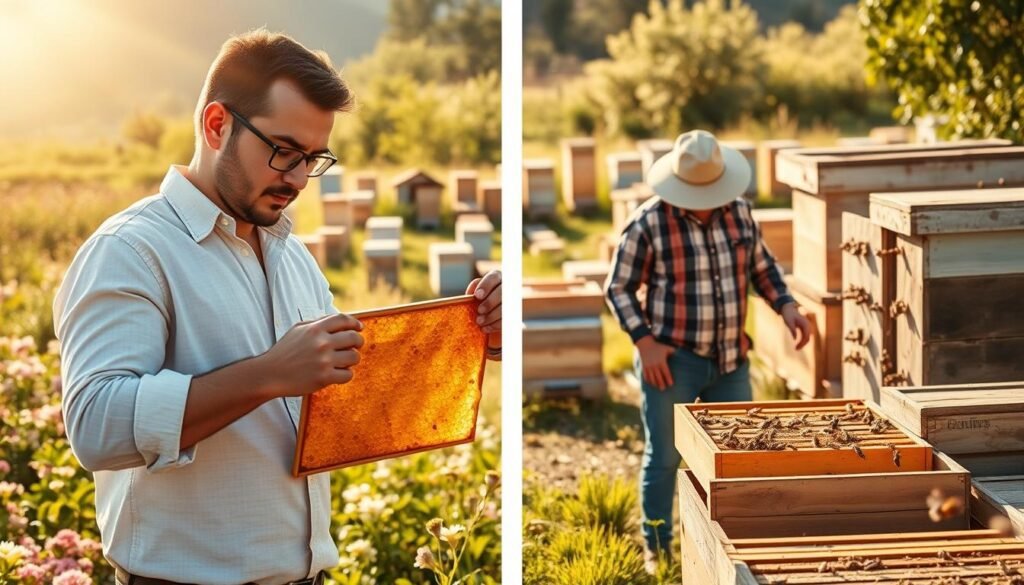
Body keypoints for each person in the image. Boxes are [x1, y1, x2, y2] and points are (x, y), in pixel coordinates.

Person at [52, 30, 502, 585]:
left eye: (313, 159)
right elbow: (95, 425)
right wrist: (268, 375)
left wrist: (472, 335)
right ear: (216, 125)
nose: (298, 179)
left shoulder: (291, 254)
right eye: (284, 151)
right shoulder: (130, 251)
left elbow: (338, 395)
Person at [604, 130, 810, 572]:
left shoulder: (740, 213)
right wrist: (645, 343)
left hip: (732, 360)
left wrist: (787, 306)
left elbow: (763, 268)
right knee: (664, 456)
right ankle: (657, 548)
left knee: (737, 457)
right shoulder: (649, 223)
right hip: (672, 362)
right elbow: (617, 288)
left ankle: (733, 547)